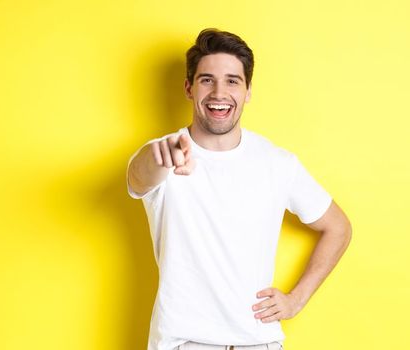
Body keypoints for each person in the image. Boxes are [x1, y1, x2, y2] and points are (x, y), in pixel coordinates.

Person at [126, 28, 352, 350]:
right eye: (207, 80)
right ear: (189, 88)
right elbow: (138, 178)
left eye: (232, 81)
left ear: (247, 91)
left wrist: (295, 300)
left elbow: (339, 227)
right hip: (185, 343)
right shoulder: (162, 153)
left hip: (258, 343)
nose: (219, 92)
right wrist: (163, 157)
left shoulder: (278, 163)